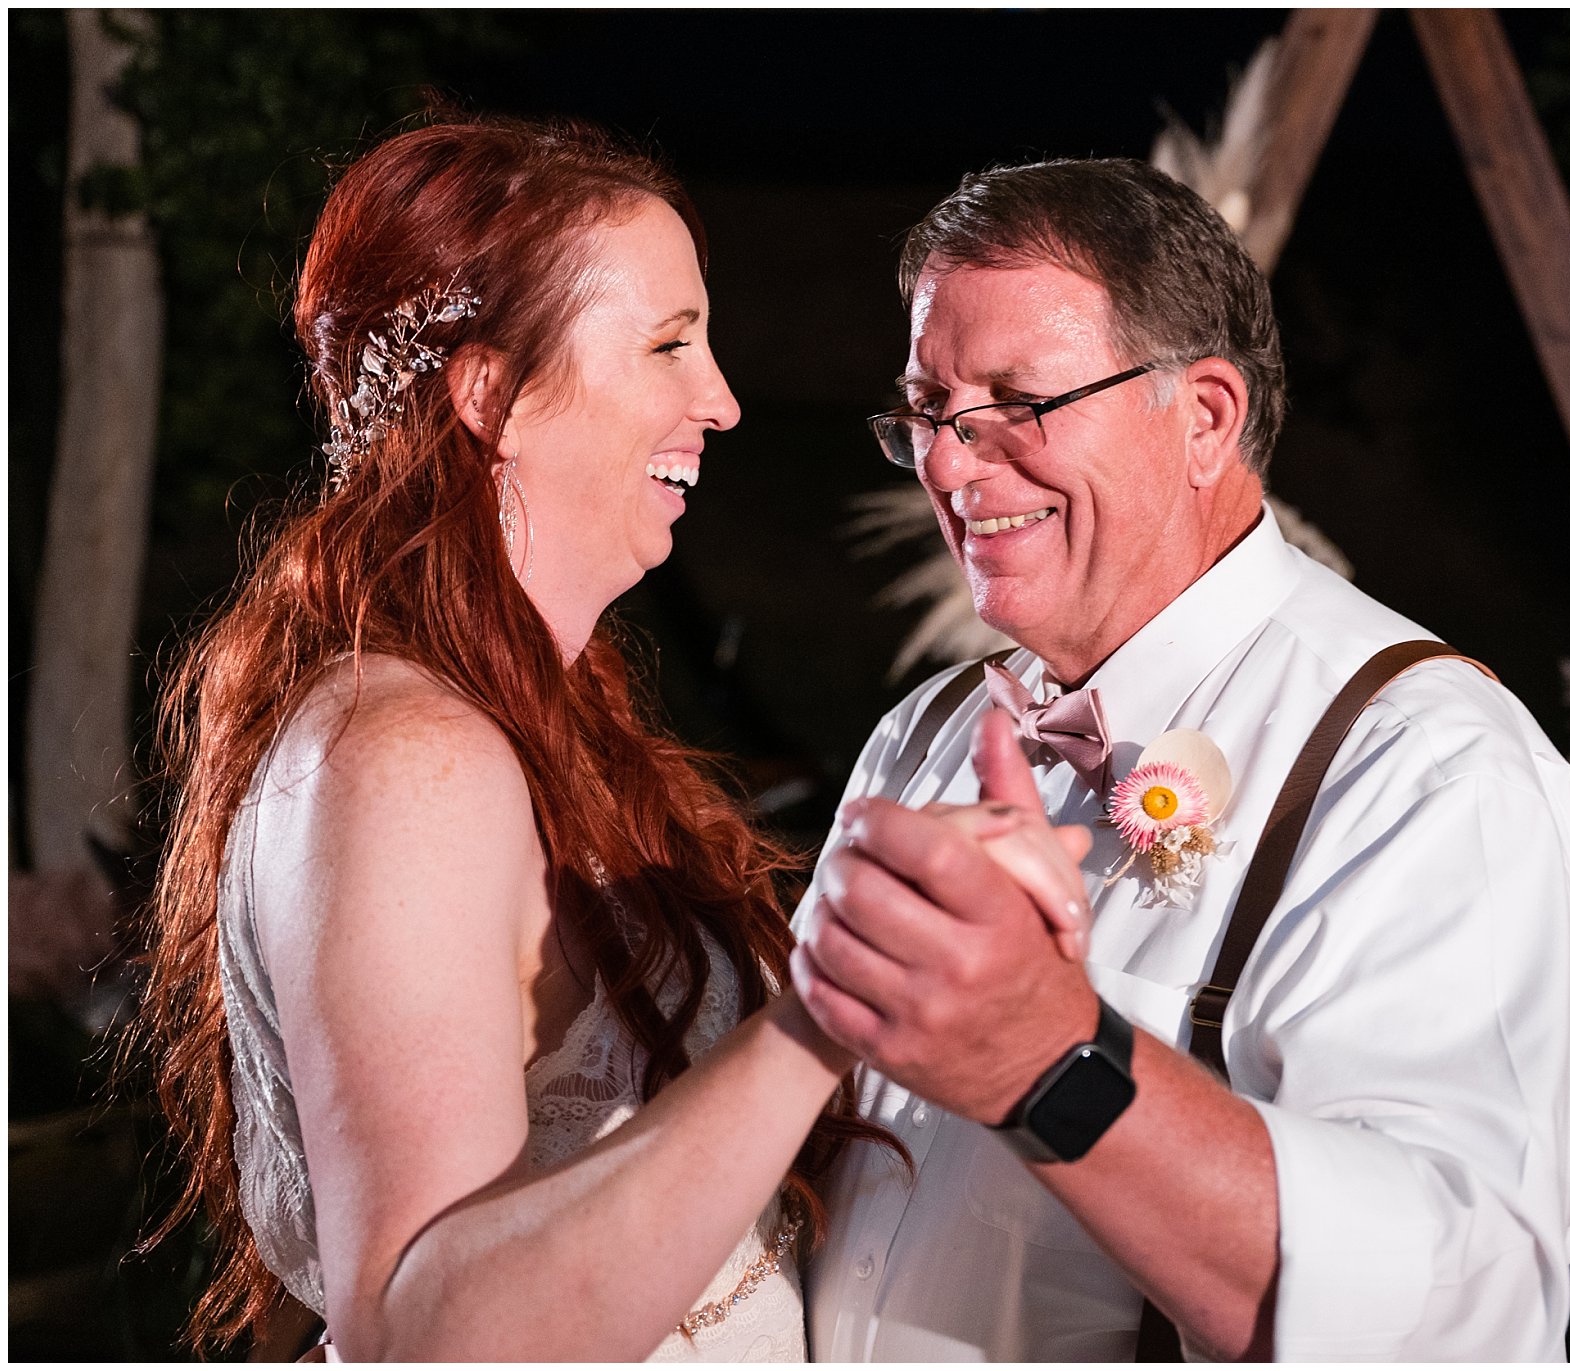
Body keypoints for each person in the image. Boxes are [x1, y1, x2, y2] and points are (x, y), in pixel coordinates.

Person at [133, 114, 955, 1362]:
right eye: (668, 346)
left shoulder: (537, 717)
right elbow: (422, 1328)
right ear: (492, 395)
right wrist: (826, 1017)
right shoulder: (406, 760)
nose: (721, 402)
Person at [790, 158, 1570, 1361]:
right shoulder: (925, 734)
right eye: (927, 412)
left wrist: (1052, 1060)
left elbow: (1450, 1307)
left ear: (1205, 419)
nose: (951, 467)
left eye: (1015, 404)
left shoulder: (1425, 766)